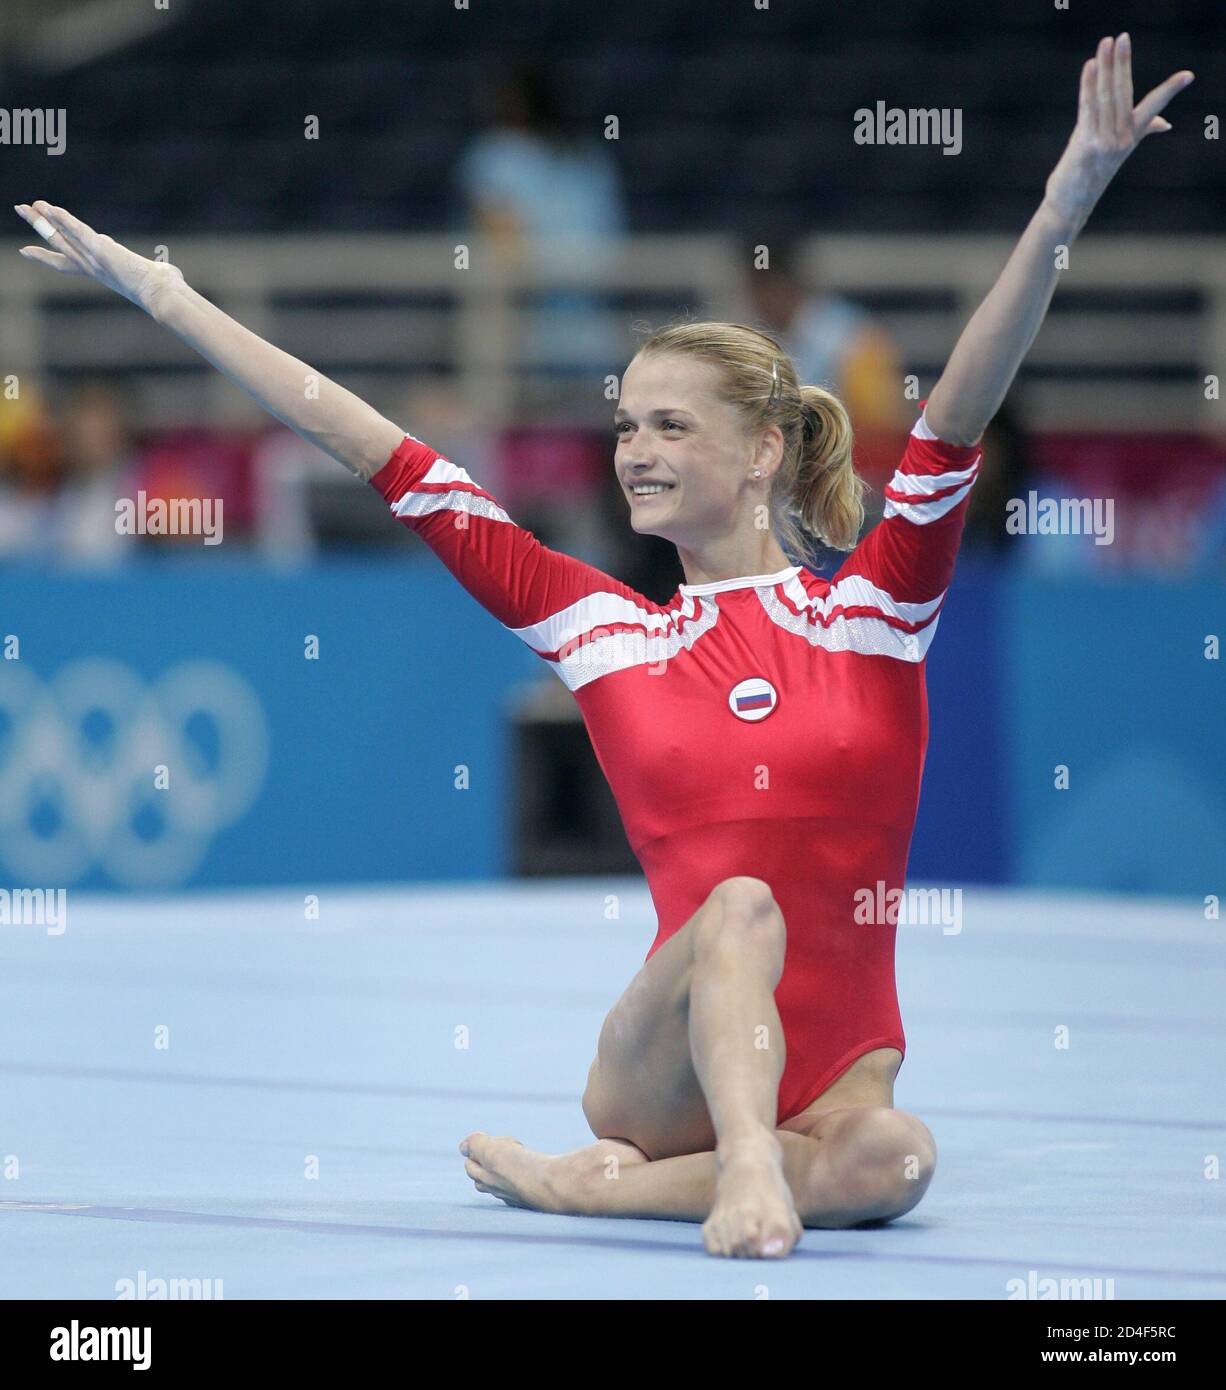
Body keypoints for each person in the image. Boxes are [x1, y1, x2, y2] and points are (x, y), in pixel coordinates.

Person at [14, 33, 1192, 1258]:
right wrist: (173, 299)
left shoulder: (874, 616)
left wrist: (1061, 207)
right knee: (735, 906)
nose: (632, 448)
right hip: (660, 1074)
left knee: (896, 1158)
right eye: (624, 423)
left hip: (842, 1074)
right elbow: (388, 456)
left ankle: (589, 1189)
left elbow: (956, 412)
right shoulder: (603, 630)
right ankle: (740, 1173)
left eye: (670, 424)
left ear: (760, 452)